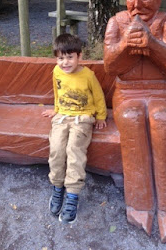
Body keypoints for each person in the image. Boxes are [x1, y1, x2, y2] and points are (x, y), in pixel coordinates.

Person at [104, 0, 166, 243]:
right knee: (131, 117)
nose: (136, 3)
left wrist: (152, 44)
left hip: (161, 93)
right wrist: (126, 45)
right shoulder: (116, 22)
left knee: (163, 121)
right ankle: (139, 202)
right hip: (127, 94)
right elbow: (110, 68)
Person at [42, 33, 107, 224]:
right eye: (61, 58)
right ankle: (57, 188)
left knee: (74, 150)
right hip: (62, 117)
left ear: (79, 56)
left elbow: (98, 97)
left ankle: (72, 195)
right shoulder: (56, 71)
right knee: (56, 149)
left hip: (83, 118)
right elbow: (57, 90)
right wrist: (55, 110)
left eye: (70, 57)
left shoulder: (88, 75)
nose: (65, 62)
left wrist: (101, 116)